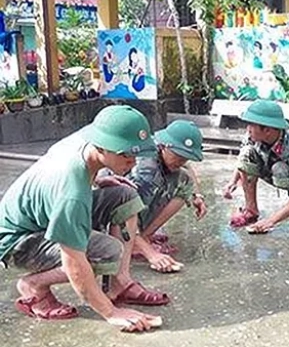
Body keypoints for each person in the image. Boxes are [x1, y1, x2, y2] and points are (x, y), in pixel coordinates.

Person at [0, 105, 169, 333]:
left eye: (135, 154)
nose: (133, 162)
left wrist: (97, 180)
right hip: (17, 242)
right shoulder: (72, 192)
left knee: (124, 196)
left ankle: (121, 283)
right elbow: (73, 261)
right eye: (125, 154)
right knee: (108, 251)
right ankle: (34, 285)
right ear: (101, 147)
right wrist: (111, 312)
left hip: (44, 217)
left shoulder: (84, 141)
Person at [223, 100, 289, 234]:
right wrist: (233, 181)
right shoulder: (253, 135)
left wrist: (269, 221)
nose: (248, 129)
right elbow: (243, 161)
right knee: (247, 153)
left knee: (279, 169)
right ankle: (251, 210)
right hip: (269, 164)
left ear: (267, 130)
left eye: (252, 125)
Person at [128, 120, 207, 274]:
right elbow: (126, 214)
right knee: (136, 207)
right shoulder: (145, 170)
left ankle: (145, 236)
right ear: (164, 146)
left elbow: (187, 168)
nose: (181, 161)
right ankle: (135, 242)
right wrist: (152, 255)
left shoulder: (166, 151)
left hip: (134, 201)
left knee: (184, 183)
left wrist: (197, 196)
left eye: (185, 157)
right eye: (178, 156)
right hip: (107, 217)